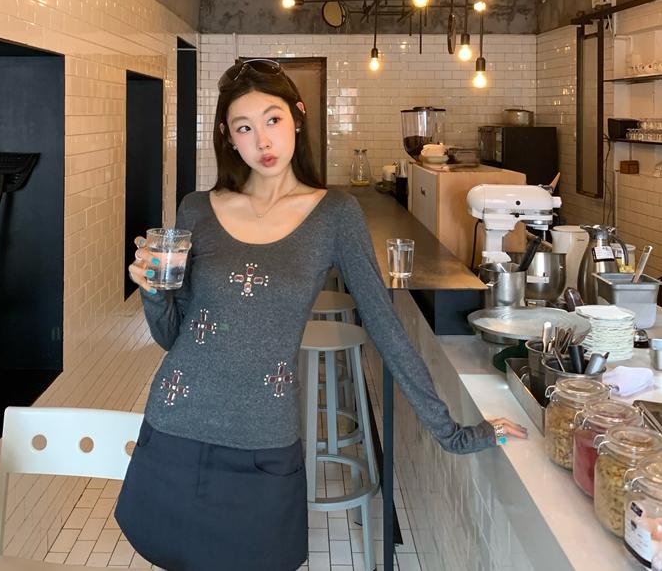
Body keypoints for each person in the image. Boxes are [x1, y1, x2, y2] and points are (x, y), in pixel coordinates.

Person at [116, 58, 527, 571]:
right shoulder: (197, 208)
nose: (262, 140)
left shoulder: (333, 214)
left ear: (297, 116)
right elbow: (171, 336)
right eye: (244, 128)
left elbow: (385, 327)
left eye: (272, 119)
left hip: (262, 442)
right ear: (228, 138)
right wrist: (153, 291)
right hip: (174, 428)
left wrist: (454, 433)